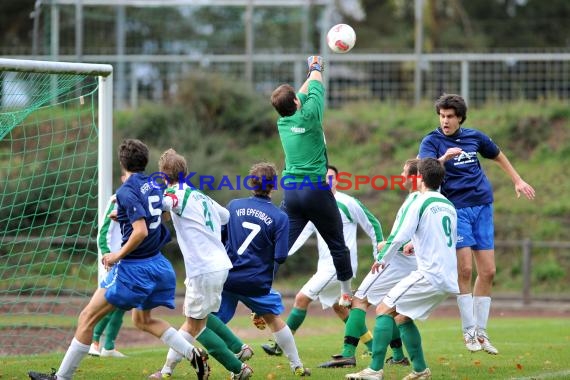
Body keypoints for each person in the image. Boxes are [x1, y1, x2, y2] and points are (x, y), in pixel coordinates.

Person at [28, 139, 209, 380]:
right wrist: (124, 217)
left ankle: (61, 378)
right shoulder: (154, 183)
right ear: (145, 161)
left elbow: (141, 231)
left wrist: (116, 255)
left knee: (87, 317)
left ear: (122, 163)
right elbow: (162, 214)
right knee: (143, 320)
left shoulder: (126, 190)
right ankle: (194, 354)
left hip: (134, 269)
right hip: (158, 265)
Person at [418, 94, 535, 354]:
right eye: (442, 116)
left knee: (489, 271)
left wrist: (518, 180)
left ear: (460, 117)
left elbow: (498, 155)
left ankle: (481, 334)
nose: (445, 120)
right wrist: (443, 159)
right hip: (455, 210)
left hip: (482, 205)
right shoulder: (431, 141)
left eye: (450, 116)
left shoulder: (475, 137)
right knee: (465, 271)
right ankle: (468, 332)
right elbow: (424, 173)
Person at [345, 157, 458, 380]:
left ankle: (374, 370)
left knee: (383, 309)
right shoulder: (448, 205)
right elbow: (438, 237)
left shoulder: (419, 202)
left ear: (420, 179)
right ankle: (420, 370)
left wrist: (382, 258)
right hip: (447, 276)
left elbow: (398, 235)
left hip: (429, 274)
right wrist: (413, 245)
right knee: (402, 317)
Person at [149, 149, 253, 380]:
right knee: (197, 319)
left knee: (196, 326)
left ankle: (238, 368)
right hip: (219, 265)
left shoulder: (175, 195)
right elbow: (225, 216)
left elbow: (160, 202)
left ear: (164, 177)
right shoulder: (200, 196)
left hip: (203, 268)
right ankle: (168, 370)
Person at [261, 165, 383, 357]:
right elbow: (300, 234)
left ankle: (279, 345)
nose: (327, 181)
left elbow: (372, 223)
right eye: (324, 178)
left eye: (331, 178)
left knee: (301, 299)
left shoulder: (347, 202)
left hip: (338, 266)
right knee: (341, 309)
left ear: (338, 180)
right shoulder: (315, 206)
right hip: (325, 267)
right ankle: (373, 347)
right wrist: (281, 252)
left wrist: (379, 253)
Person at [319, 159, 420, 369]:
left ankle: (348, 354)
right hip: (413, 263)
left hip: (397, 261)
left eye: (404, 172)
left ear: (415, 177)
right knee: (388, 308)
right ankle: (400, 356)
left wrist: (384, 249)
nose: (400, 176)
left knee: (358, 300)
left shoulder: (414, 200)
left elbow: (400, 235)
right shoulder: (431, 198)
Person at [271, 55, 353, 307]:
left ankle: (261, 289)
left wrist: (306, 79)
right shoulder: (311, 115)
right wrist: (315, 66)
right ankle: (347, 293)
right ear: (296, 102)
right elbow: (316, 82)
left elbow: (297, 96)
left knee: (280, 245)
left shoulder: (283, 121)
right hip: (316, 189)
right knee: (338, 242)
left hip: (292, 193)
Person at [214, 162, 310, 377]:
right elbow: (281, 256)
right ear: (274, 186)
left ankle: (168, 368)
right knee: (273, 319)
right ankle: (297, 366)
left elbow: (221, 238)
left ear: (251, 183)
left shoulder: (233, 205)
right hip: (256, 282)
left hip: (228, 277)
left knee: (209, 322)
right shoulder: (280, 217)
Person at [88, 191, 127, 358]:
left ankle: (109, 346)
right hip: (113, 259)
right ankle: (94, 342)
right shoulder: (117, 199)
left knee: (123, 304)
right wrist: (106, 255)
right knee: (111, 302)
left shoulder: (138, 199)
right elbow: (103, 234)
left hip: (129, 259)